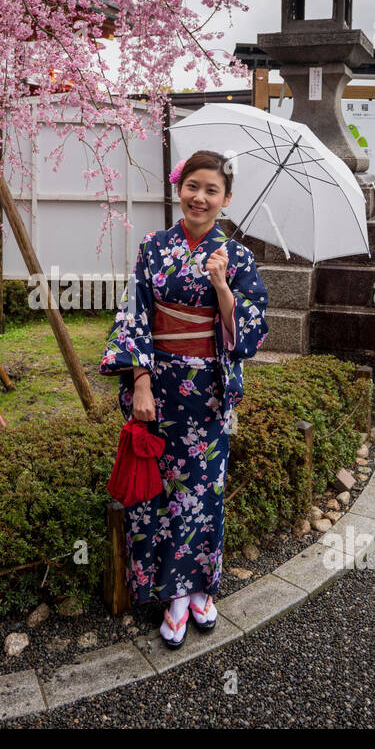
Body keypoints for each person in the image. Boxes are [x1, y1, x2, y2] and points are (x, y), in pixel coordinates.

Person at [99, 149, 269, 650]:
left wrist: (222, 287)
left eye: (211, 190)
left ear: (226, 199)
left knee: (203, 494)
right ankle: (171, 594)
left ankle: (199, 588)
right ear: (180, 188)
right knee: (161, 492)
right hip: (159, 389)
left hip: (208, 395)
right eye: (193, 185)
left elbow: (251, 334)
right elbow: (134, 314)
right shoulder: (154, 247)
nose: (200, 197)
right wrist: (142, 382)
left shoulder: (237, 258)